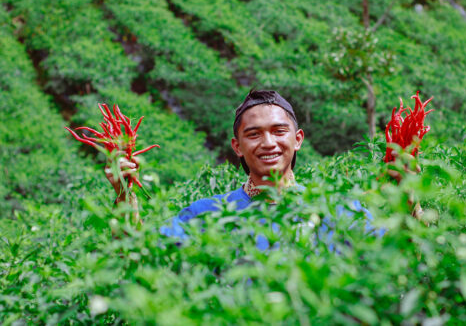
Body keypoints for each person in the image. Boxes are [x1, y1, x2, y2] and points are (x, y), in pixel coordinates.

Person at [106, 90, 382, 247]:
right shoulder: (206, 214)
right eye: (254, 134)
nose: (268, 143)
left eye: (279, 131)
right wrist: (124, 194)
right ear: (237, 146)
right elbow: (138, 253)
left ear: (297, 140)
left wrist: (410, 198)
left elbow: (403, 258)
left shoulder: (340, 209)